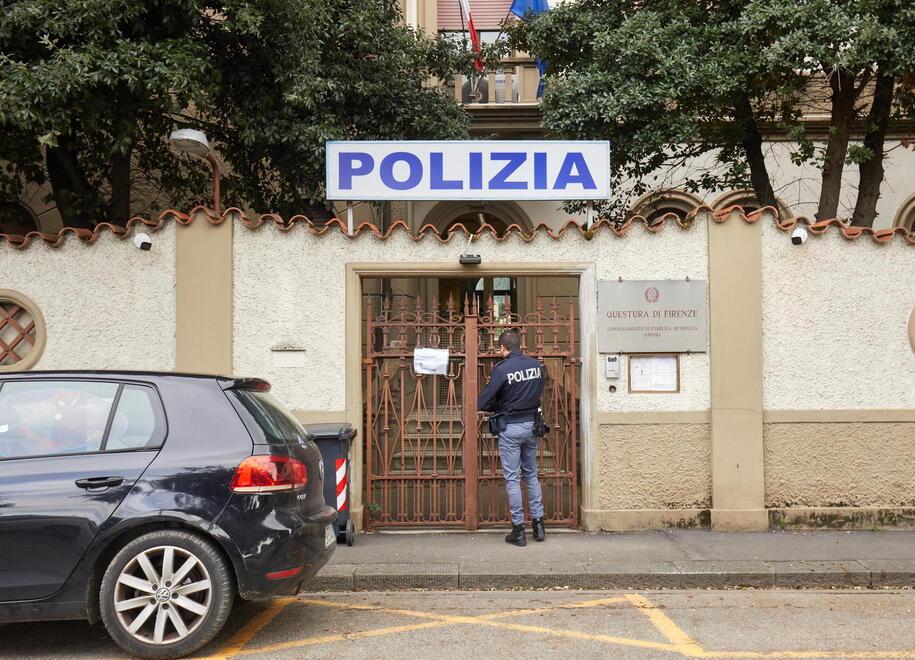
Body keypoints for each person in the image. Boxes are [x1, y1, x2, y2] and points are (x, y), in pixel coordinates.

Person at [477, 328, 546, 547]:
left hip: (511, 428)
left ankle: (518, 530)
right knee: (531, 474)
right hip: (531, 425)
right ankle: (538, 524)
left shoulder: (502, 369)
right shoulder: (536, 365)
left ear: (503, 347)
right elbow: (539, 389)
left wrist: (498, 405)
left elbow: (483, 402)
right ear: (519, 345)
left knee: (513, 478)